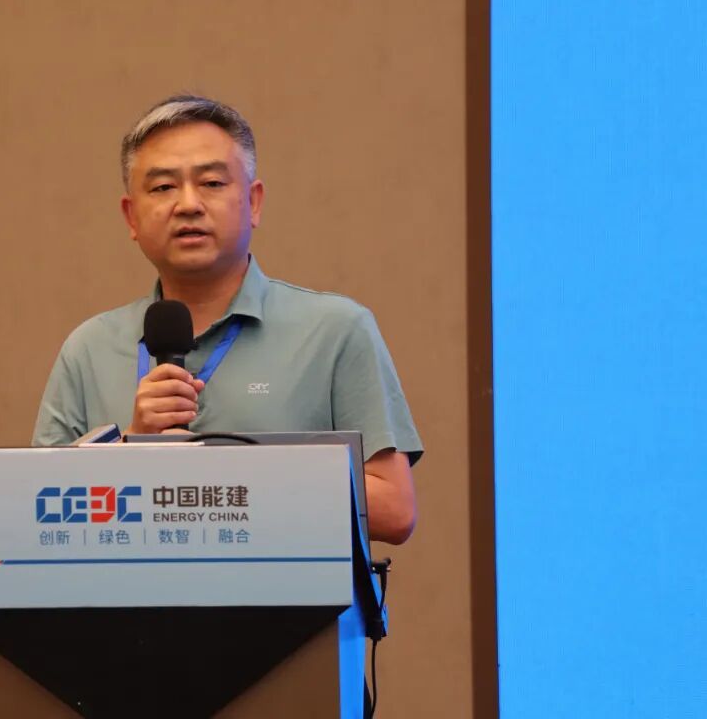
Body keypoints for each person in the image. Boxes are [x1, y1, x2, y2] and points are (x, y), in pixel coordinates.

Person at [32, 95, 422, 544]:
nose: (188, 204)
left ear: (254, 203)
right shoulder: (89, 348)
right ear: (131, 216)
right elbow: (36, 508)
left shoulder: (335, 330)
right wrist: (130, 450)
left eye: (212, 182)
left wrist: (231, 481)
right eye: (163, 187)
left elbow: (394, 509)